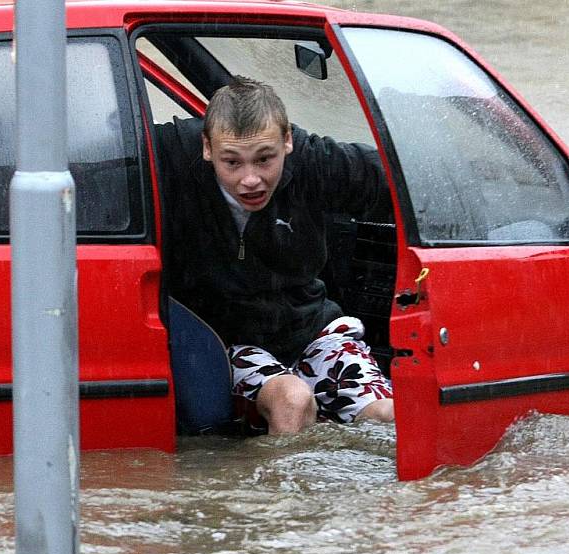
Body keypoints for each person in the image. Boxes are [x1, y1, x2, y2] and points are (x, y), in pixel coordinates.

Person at [156, 76, 394, 434]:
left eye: (264, 159)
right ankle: (279, 491)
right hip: (224, 341)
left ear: (287, 141)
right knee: (292, 399)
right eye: (232, 163)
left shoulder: (315, 161)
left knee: (388, 417)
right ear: (207, 148)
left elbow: (403, 180)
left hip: (311, 328)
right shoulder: (173, 154)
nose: (250, 179)